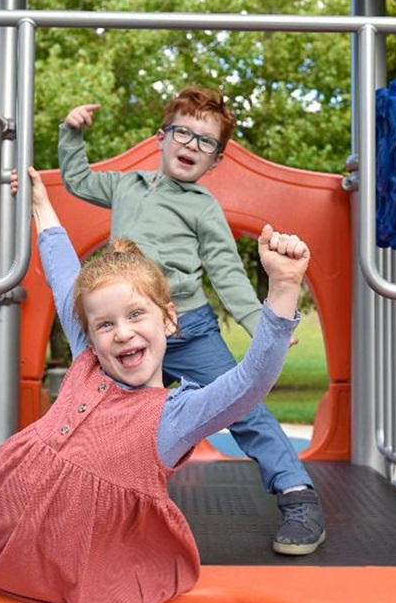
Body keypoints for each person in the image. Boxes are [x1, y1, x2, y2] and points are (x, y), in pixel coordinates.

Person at [0, 167, 310, 603]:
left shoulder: (176, 414)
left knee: (55, 581)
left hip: (72, 536)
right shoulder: (88, 360)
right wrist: (41, 206)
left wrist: (282, 288)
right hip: (19, 484)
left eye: (136, 316)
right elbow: (63, 270)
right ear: (89, 335)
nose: (123, 333)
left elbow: (249, 381)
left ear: (169, 319)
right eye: (106, 324)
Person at [58, 87, 325, 555]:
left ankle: (296, 493)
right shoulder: (125, 185)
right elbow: (77, 179)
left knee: (241, 405)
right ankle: (83, 498)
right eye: (183, 133)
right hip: (131, 332)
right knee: (100, 410)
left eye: (206, 142)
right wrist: (71, 131)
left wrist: (261, 322)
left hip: (188, 330)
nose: (191, 146)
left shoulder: (202, 206)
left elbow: (226, 271)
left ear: (216, 161)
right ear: (161, 137)